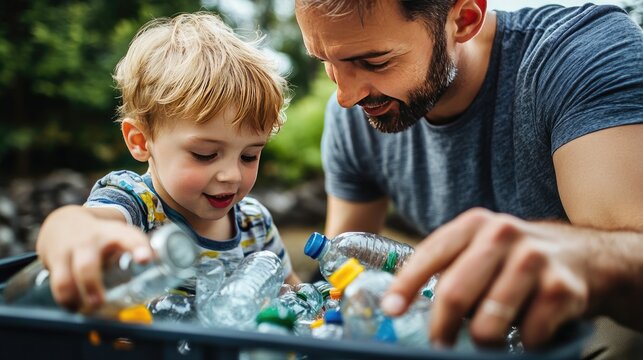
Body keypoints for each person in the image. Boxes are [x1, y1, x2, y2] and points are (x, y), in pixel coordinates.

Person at [294, 0, 643, 356]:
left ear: (464, 19)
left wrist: (585, 260)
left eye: (375, 62)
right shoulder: (359, 115)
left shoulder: (577, 56)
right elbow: (338, 271)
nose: (345, 96)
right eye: (326, 63)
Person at [36, 12, 300, 313]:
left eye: (249, 156)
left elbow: (293, 298)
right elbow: (68, 225)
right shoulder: (137, 207)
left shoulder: (256, 224)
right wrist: (74, 234)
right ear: (140, 141)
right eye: (205, 154)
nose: (231, 175)